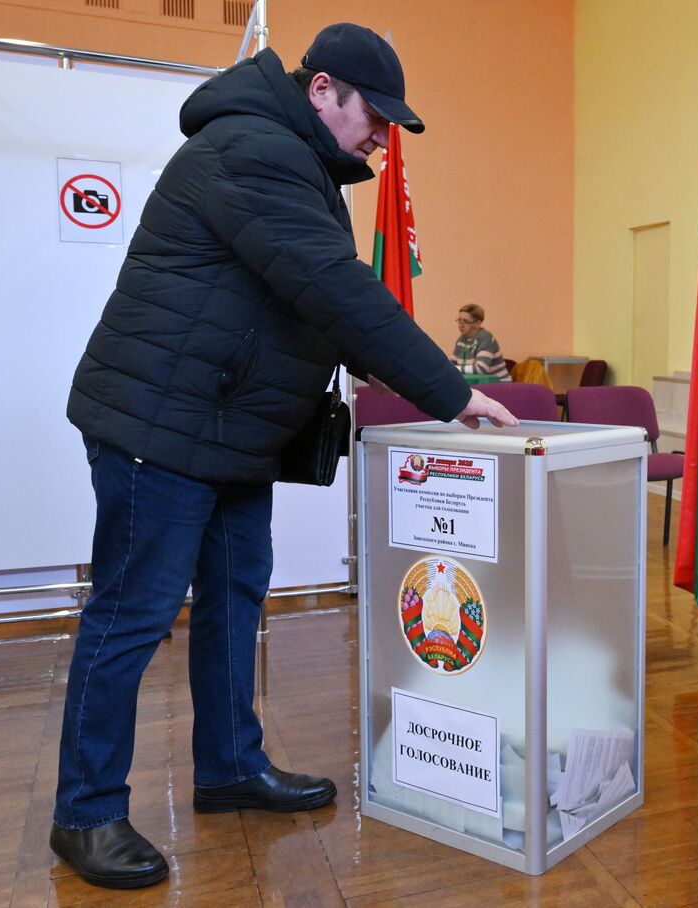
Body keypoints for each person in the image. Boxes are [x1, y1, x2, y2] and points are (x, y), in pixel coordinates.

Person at [52, 23, 516, 889]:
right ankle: (85, 811)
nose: (381, 139)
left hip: (225, 432)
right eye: (373, 116)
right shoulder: (253, 150)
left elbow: (311, 308)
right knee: (131, 614)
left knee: (234, 601)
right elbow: (334, 291)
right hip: (160, 427)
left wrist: (404, 378)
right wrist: (451, 395)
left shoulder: (300, 167)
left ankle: (229, 766)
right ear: (321, 89)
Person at [452, 304, 512, 380]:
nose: (461, 325)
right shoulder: (462, 339)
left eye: (466, 321)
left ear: (478, 323)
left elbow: (480, 369)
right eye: (459, 320)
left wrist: (454, 368)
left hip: (499, 384)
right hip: (477, 383)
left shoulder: (486, 337)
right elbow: (451, 364)